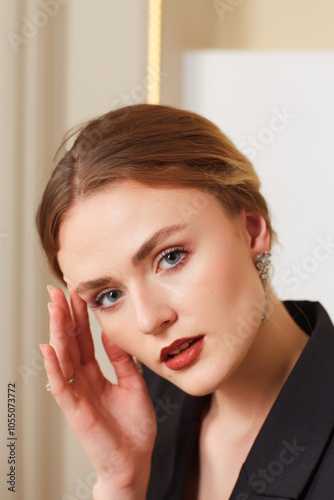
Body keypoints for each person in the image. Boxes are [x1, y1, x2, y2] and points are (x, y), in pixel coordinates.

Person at [37, 104, 334, 500]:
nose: (149, 319)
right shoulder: (148, 423)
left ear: (251, 229)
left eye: (171, 257)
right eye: (109, 296)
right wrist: (121, 486)